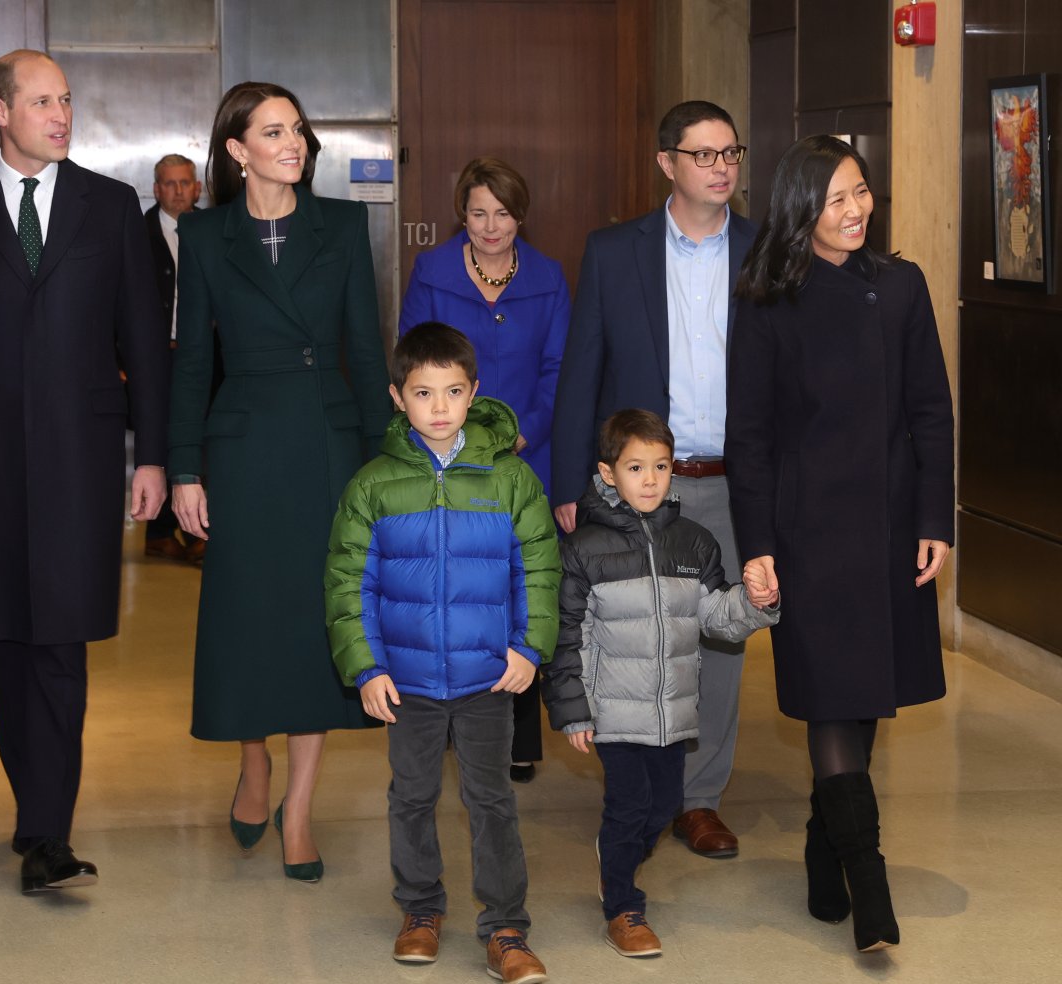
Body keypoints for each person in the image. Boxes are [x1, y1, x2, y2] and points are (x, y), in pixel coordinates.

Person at [0, 49, 170, 894]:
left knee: (60, 640)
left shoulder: (111, 206)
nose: (62, 114)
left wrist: (153, 454)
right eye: (43, 100)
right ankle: (34, 810)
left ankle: (49, 831)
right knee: (4, 643)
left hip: (80, 463)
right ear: (0, 110)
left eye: (67, 100)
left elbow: (142, 345)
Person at [726, 134, 954, 952]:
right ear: (799, 212)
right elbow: (746, 436)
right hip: (806, 531)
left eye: (860, 192)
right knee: (830, 696)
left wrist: (936, 520)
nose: (855, 210)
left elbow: (931, 410)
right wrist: (757, 543)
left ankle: (827, 853)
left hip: (891, 527)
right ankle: (871, 881)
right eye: (835, 200)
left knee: (863, 699)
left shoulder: (900, 287)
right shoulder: (764, 301)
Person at [169, 82, 391, 878]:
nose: (293, 142)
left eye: (297, 128)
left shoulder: (343, 223)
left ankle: (299, 805)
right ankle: (252, 759)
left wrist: (383, 466)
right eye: (273, 131)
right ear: (237, 150)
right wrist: (185, 467)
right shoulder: (202, 236)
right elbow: (193, 358)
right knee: (246, 619)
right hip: (242, 447)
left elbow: (365, 351)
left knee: (315, 626)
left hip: (326, 447)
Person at [552, 100, 757, 857]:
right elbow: (582, 374)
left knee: (722, 639)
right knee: (631, 637)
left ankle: (699, 798)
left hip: (736, 483)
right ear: (667, 163)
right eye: (703, 155)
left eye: (730, 152)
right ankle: (640, 787)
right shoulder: (615, 251)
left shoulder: (763, 250)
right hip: (642, 483)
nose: (721, 167)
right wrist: (571, 484)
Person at [324, 323, 559, 983]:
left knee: (491, 800)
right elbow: (349, 581)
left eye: (453, 391)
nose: (439, 406)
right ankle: (420, 909)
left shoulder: (510, 480)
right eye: (423, 393)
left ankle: (507, 926)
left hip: (490, 677)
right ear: (398, 397)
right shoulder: (372, 485)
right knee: (412, 796)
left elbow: (538, 569)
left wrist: (529, 647)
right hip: (410, 680)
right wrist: (366, 665)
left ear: (473, 392)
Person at [542, 409, 778, 959]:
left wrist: (755, 602)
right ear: (607, 474)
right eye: (635, 467)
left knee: (664, 803)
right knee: (628, 806)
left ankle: (616, 858)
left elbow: (717, 616)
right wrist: (574, 710)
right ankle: (623, 907)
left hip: (673, 712)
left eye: (661, 466)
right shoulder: (584, 550)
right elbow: (566, 635)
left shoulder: (694, 544)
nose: (650, 479)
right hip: (613, 713)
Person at [399, 157, 570, 784]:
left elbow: (559, 370)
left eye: (502, 214)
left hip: (528, 455)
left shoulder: (549, 279)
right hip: (447, 453)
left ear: (519, 215)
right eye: (478, 213)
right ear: (461, 215)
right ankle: (450, 720)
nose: (491, 227)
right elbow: (415, 359)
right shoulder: (434, 271)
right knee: (454, 588)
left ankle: (518, 737)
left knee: (516, 590)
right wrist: (455, 430)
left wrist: (523, 432)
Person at [143, 153, 203, 564]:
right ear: (156, 188)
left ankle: (201, 527)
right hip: (155, 354)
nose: (178, 191)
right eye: (169, 183)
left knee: (203, 438)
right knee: (160, 437)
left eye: (185, 183)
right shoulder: (135, 232)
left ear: (198, 188)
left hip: (203, 353)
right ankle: (160, 530)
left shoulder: (213, 230)